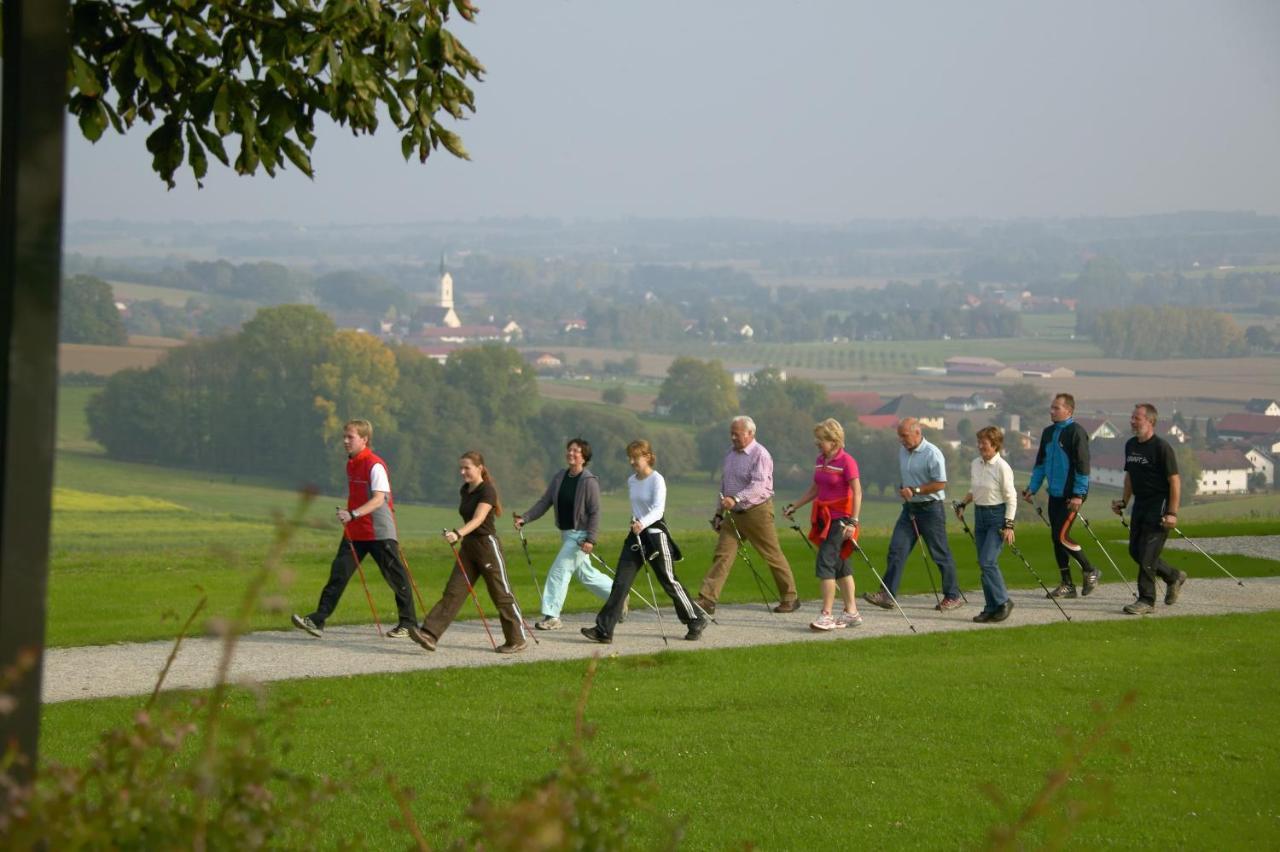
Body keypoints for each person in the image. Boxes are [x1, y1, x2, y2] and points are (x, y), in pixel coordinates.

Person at [292, 419, 418, 638]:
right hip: (356, 531)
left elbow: (379, 499)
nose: (345, 441)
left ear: (364, 439)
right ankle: (317, 619)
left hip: (379, 532)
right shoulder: (351, 463)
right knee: (338, 574)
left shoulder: (374, 464)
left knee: (396, 578)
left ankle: (408, 623)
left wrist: (353, 513)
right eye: (344, 437)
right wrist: (351, 516)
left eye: (350, 437)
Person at [581, 440, 708, 643]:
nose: (631, 461)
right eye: (629, 457)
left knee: (668, 580)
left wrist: (643, 522)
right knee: (621, 582)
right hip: (635, 536)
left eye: (635, 457)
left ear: (647, 457)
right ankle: (604, 630)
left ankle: (695, 619)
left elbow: (658, 509)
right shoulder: (631, 480)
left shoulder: (657, 480)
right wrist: (635, 521)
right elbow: (637, 508)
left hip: (656, 535)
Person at [410, 451, 530, 653]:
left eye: (467, 468)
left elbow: (478, 519)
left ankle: (517, 639)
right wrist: (460, 536)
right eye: (461, 468)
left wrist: (458, 533)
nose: (462, 472)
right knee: (453, 592)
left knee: (500, 594)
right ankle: (430, 634)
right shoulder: (465, 490)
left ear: (479, 468)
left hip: (486, 546)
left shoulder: (487, 490)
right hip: (469, 548)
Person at [696, 416, 800, 614]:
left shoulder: (760, 454)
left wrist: (735, 498)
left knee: (771, 555)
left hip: (757, 512)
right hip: (733, 513)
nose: (733, 437)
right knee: (722, 555)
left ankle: (790, 598)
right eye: (732, 433)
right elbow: (724, 484)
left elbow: (759, 486)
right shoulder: (730, 454)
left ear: (751, 433)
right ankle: (707, 600)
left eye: (738, 433)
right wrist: (719, 512)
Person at [863, 418, 964, 611]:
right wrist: (905, 489)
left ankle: (952, 596)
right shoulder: (903, 451)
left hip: (931, 509)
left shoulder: (932, 453)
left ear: (917, 432)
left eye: (904, 436)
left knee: (939, 554)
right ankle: (887, 594)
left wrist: (915, 490)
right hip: (910, 509)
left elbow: (940, 483)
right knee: (896, 550)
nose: (901, 440)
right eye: (899, 436)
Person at [514, 437, 613, 630]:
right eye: (569, 450)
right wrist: (525, 518)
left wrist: (591, 539)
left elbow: (595, 512)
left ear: (584, 457)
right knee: (586, 575)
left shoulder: (588, 481)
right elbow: (545, 502)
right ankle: (618, 596)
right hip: (566, 534)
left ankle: (552, 616)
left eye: (576, 451)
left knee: (558, 572)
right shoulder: (560, 477)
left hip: (580, 536)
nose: (571, 453)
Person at [783, 418, 863, 631]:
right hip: (824, 518)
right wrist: (795, 506)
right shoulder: (821, 460)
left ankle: (826, 615)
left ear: (834, 440)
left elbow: (857, 492)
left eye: (820, 440)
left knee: (826, 564)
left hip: (841, 520)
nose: (817, 443)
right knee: (841, 566)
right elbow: (815, 489)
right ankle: (851, 613)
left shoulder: (847, 461)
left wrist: (853, 522)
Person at [1112, 404, 1187, 615]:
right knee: (1135, 551)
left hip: (1160, 505)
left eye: (1137, 418)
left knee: (1147, 554)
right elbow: (1130, 477)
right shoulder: (1130, 445)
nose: (1132, 421)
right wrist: (1124, 502)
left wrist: (1172, 513)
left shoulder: (1162, 448)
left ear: (1150, 421)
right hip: (1140, 504)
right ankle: (1173, 576)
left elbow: (1175, 481)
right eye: (1132, 417)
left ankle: (1146, 600)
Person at [1022, 393, 1098, 598]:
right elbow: (1040, 464)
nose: (1051, 411)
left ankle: (1090, 569)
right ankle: (1067, 584)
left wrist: (1078, 495)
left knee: (1061, 536)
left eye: (1056, 408)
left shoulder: (1076, 433)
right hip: (1054, 495)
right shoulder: (1048, 433)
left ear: (1069, 410)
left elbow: (1083, 467)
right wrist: (1032, 488)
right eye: (1051, 407)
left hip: (1071, 496)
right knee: (1056, 539)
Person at [955, 426, 1017, 623]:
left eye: (984, 442)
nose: (980, 446)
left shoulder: (1002, 467)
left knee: (987, 561)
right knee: (984, 563)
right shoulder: (976, 463)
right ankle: (990, 608)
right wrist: (963, 504)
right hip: (980, 515)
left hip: (996, 516)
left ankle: (1004, 601)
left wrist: (1009, 525)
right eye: (979, 442)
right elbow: (975, 490)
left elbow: (1011, 497)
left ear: (995, 444)